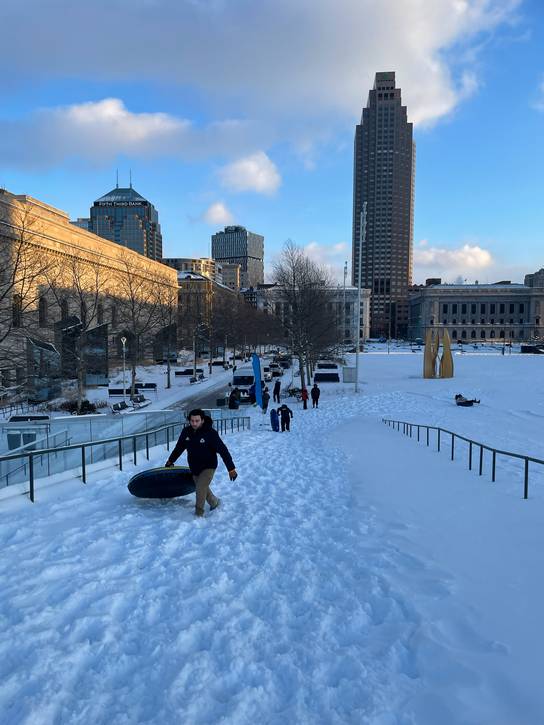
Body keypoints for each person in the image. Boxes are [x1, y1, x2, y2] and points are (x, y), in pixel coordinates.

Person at [165, 408, 238, 517]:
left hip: (209, 466)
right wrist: (170, 460)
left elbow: (223, 451)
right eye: (192, 420)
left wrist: (231, 469)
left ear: (202, 420)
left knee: (200, 488)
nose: (194, 423)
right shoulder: (186, 432)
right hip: (194, 467)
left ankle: (198, 514)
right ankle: (215, 502)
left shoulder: (210, 433)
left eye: (197, 420)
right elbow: (179, 447)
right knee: (203, 488)